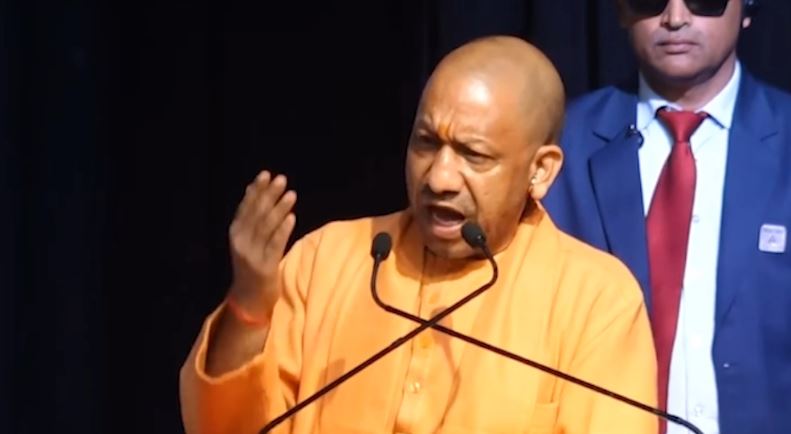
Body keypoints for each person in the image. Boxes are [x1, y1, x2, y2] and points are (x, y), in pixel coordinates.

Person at [179, 35, 658, 434]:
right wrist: (248, 306)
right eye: (426, 144)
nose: (439, 178)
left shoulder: (596, 299)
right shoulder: (325, 260)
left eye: (473, 155)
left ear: (541, 171)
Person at [543, 0, 791, 433]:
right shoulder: (562, 145)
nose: (675, 18)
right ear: (621, 11)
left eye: (703, 0)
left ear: (747, 8)